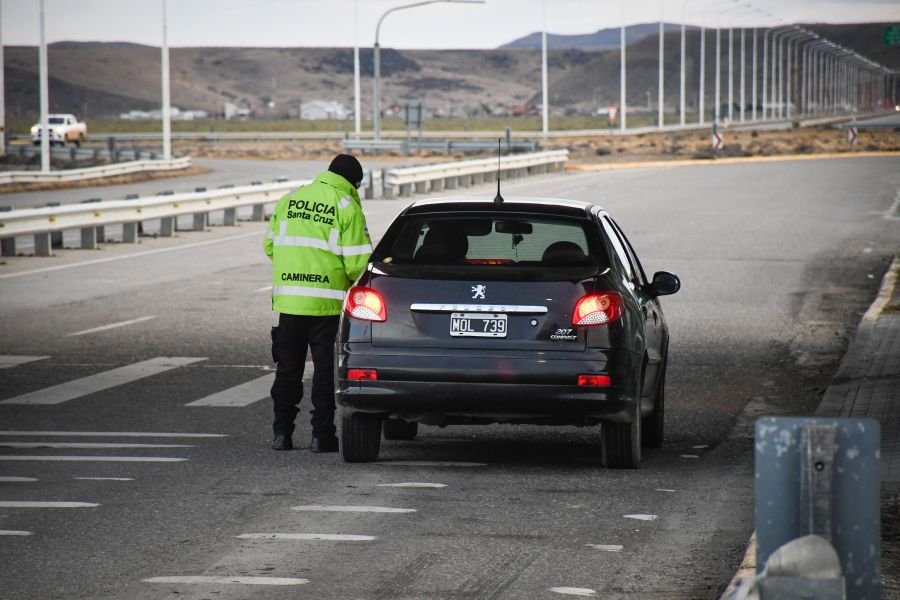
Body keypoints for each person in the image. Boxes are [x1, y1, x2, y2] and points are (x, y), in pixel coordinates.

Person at [263, 154, 372, 452]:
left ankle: (282, 434)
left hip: (290, 303)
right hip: (326, 306)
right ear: (354, 182)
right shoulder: (346, 206)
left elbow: (270, 246)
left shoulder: (290, 199)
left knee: (287, 369)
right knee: (324, 372)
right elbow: (357, 265)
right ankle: (321, 436)